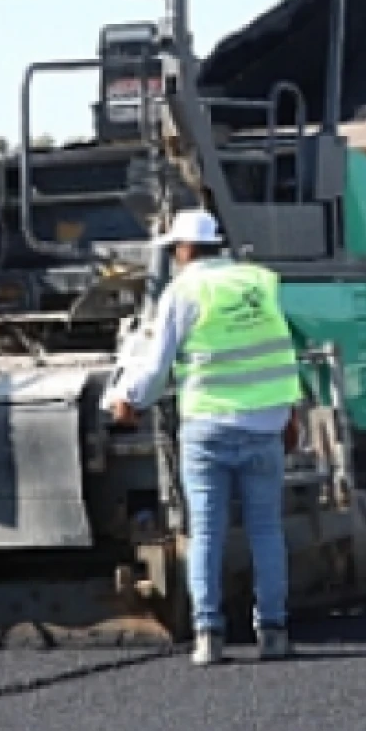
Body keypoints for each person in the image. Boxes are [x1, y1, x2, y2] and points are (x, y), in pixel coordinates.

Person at [104, 208, 299, 666]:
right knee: (267, 531)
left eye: (175, 249)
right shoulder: (260, 282)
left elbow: (156, 367)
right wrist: (289, 413)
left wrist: (127, 400)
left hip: (208, 427)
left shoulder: (183, 290)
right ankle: (273, 633)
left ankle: (209, 636)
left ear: (186, 249)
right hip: (266, 424)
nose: (174, 257)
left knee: (207, 532)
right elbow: (276, 349)